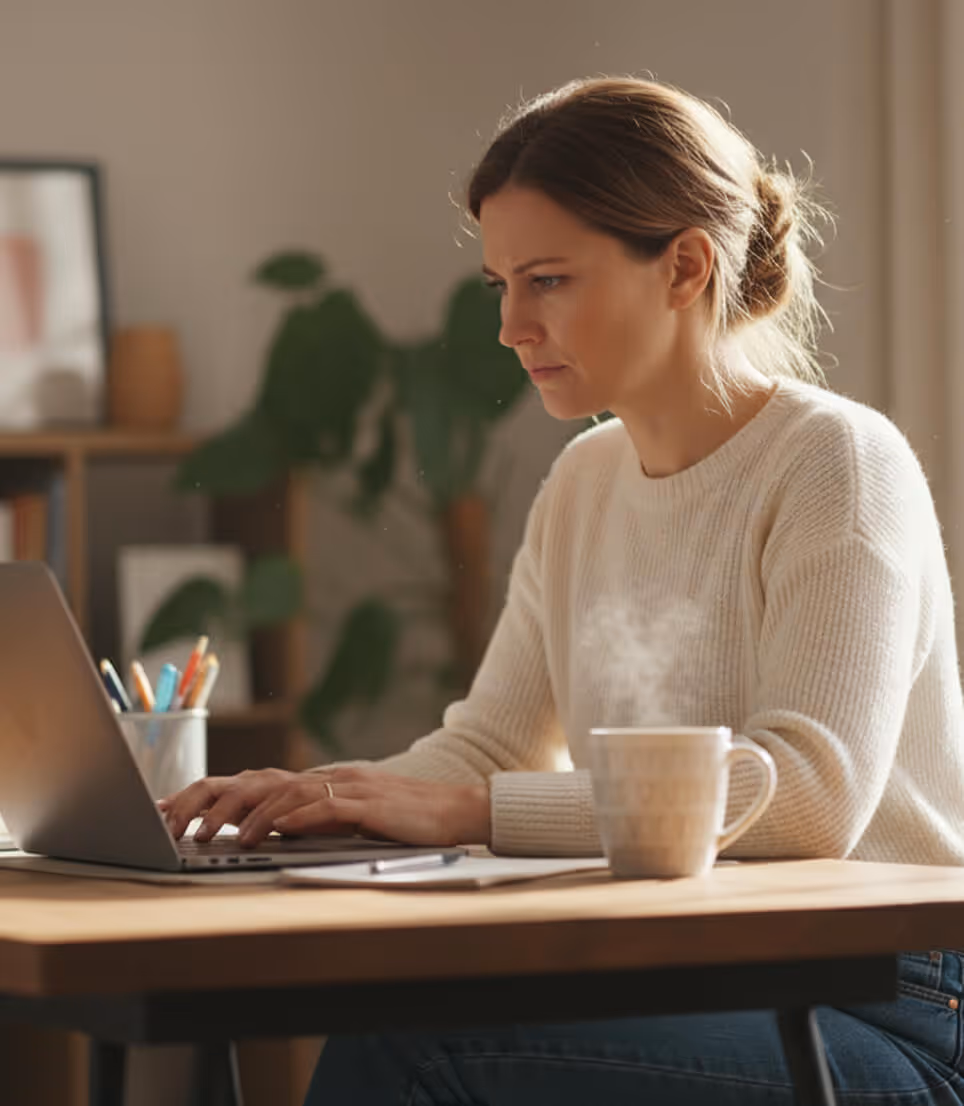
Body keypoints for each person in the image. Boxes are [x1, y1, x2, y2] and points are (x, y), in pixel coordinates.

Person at [162, 76, 964, 1104]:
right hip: (686, 973)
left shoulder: (836, 463)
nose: (509, 325)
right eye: (501, 283)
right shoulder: (582, 482)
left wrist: (463, 807)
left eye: (546, 279)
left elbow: (811, 796)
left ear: (683, 267)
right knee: (385, 1013)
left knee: (420, 1048)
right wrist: (318, 799)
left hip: (880, 1007)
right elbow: (492, 746)